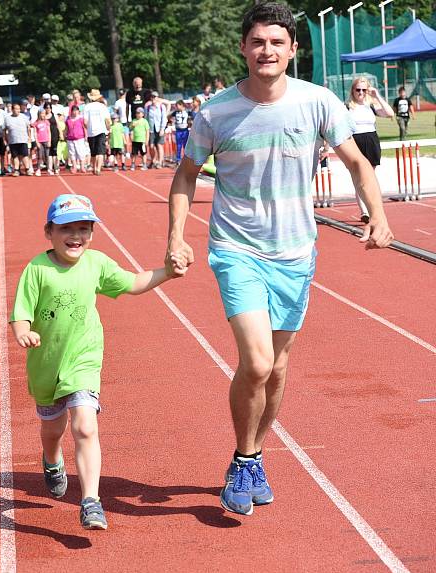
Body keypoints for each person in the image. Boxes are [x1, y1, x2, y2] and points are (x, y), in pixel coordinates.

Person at [166, 3, 394, 517]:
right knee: (258, 362)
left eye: (276, 42)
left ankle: (255, 455)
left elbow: (356, 162)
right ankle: (245, 458)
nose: (266, 50)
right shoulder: (217, 111)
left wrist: (376, 214)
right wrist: (176, 237)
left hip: (295, 252)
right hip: (235, 248)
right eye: (257, 42)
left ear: (292, 49)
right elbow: (185, 174)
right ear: (243, 48)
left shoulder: (318, 102)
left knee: (279, 368)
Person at [10, 194, 182, 530]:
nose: (76, 236)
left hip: (83, 359)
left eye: (84, 229)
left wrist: (168, 273)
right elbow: (21, 313)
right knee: (53, 430)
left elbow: (132, 282)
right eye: (67, 229)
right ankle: (52, 458)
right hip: (46, 365)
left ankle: (91, 500)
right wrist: (23, 332)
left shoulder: (97, 264)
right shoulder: (37, 270)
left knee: (85, 426)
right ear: (49, 232)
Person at [347, 76, 393, 222]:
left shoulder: (371, 105)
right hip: (356, 141)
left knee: (370, 177)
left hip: (371, 141)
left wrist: (377, 95)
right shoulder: (347, 106)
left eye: (364, 90)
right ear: (353, 91)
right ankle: (364, 212)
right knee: (360, 177)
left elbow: (390, 113)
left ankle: (372, 208)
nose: (361, 92)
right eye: (358, 89)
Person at [84, 89, 112, 175]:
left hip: (91, 132)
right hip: (101, 131)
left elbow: (85, 122)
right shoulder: (102, 106)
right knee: (100, 151)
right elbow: (108, 120)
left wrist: (88, 128)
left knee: (93, 152)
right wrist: (108, 128)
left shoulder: (87, 107)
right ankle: (98, 168)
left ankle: (93, 167)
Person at [4, 102, 32, 176]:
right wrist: (5, 139)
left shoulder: (24, 117)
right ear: (12, 110)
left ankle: (27, 169)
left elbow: (28, 127)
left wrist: (29, 137)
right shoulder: (7, 118)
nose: (18, 110)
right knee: (15, 156)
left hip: (23, 139)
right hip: (13, 141)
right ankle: (16, 170)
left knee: (25, 155)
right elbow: (4, 130)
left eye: (19, 109)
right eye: (16, 109)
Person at [146, 91, 168, 168]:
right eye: (152, 97)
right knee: (151, 146)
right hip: (151, 129)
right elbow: (146, 118)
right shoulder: (148, 107)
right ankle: (153, 160)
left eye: (154, 97)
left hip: (159, 128)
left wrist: (162, 129)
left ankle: (160, 161)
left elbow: (164, 119)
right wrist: (146, 129)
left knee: (159, 145)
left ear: (157, 98)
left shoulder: (162, 107)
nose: (153, 99)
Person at [65, 104, 87, 174]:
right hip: (70, 138)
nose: (74, 112)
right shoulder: (68, 118)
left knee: (81, 152)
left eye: (76, 111)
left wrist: (86, 136)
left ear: (78, 111)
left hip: (80, 138)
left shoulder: (81, 118)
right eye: (73, 111)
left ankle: (82, 167)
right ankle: (74, 167)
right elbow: (66, 128)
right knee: (72, 153)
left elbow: (84, 128)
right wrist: (64, 135)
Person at [170, 99, 191, 164]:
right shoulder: (175, 112)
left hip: (185, 130)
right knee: (178, 145)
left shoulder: (187, 112)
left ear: (182, 105)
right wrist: (172, 122)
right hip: (178, 130)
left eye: (178, 105)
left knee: (185, 145)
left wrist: (190, 122)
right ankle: (178, 159)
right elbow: (169, 116)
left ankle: (186, 159)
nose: (177, 107)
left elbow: (192, 118)